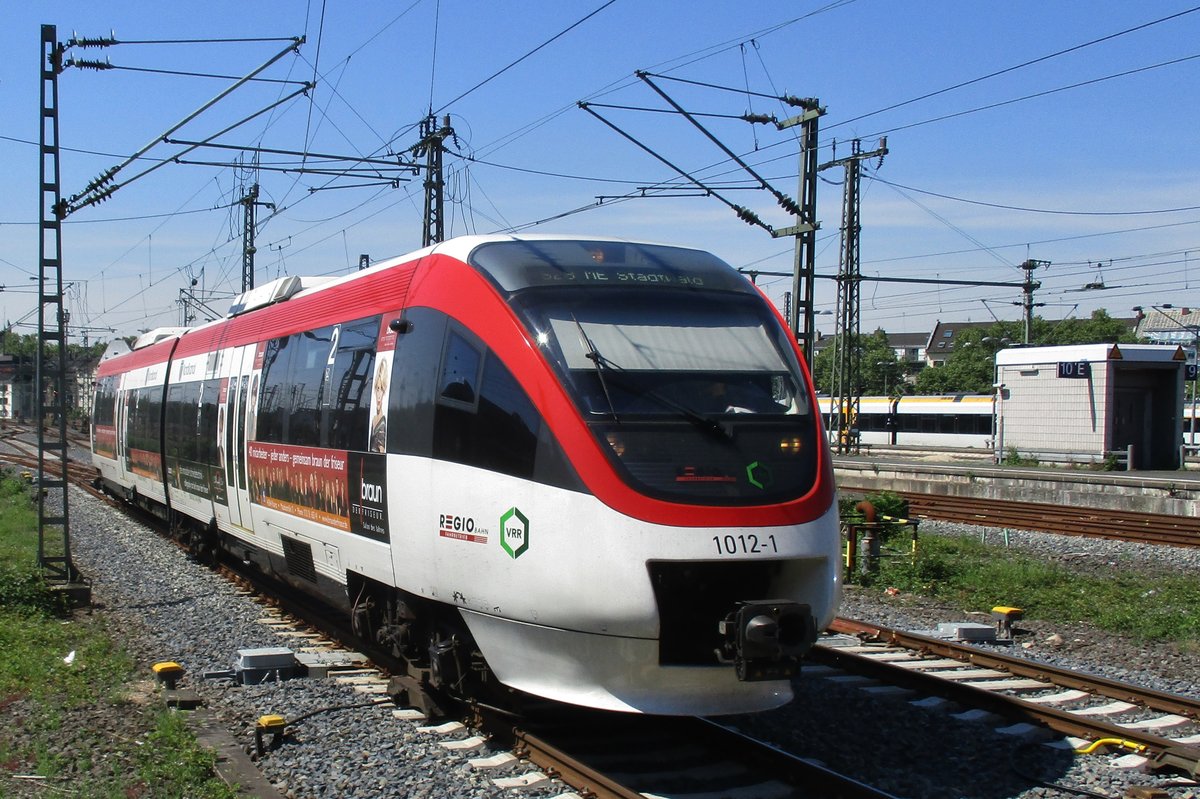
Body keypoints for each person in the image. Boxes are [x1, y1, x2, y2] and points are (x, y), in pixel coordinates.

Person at [369, 356, 389, 453]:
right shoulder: (373, 419)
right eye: (377, 389)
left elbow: (381, 452)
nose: (379, 395)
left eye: (381, 389)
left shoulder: (382, 422)